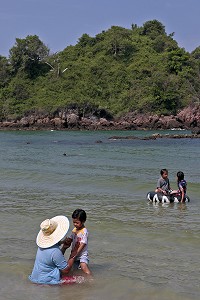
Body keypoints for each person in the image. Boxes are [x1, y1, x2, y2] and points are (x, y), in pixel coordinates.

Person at [29, 215, 75, 285]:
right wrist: (74, 254)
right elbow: (66, 270)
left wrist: (64, 247)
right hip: (47, 282)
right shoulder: (55, 251)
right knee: (79, 280)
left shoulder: (41, 247)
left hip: (35, 278)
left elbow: (54, 259)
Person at [62, 209, 91, 276]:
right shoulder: (74, 230)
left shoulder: (84, 231)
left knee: (83, 267)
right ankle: (73, 279)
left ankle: (90, 278)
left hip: (82, 254)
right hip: (74, 252)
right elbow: (71, 237)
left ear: (83, 221)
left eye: (77, 223)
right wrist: (67, 240)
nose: (75, 224)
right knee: (72, 268)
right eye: (74, 222)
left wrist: (77, 252)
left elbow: (83, 243)